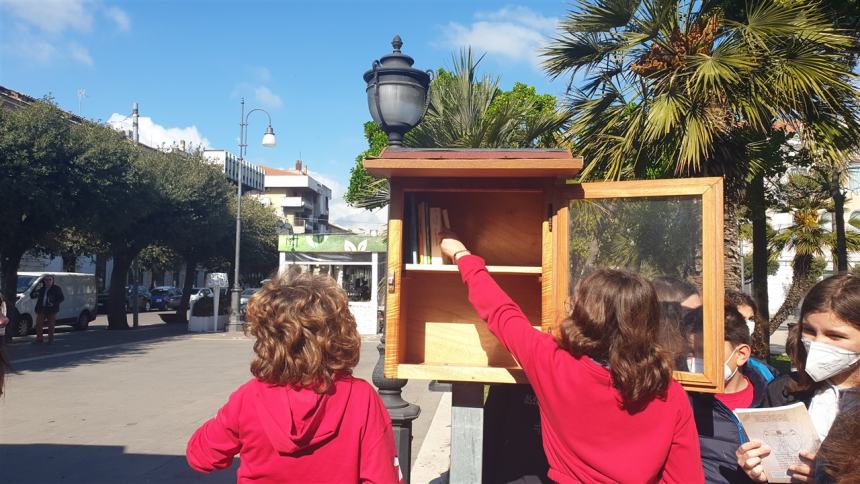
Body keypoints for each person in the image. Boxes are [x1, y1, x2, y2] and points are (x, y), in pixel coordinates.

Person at [440, 232, 704, 483]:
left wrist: (461, 254)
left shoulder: (553, 364)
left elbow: (501, 311)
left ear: (585, 315)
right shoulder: (671, 395)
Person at [186, 272, 402, 483]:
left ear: (268, 337)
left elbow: (201, 457)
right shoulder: (360, 398)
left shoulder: (250, 396)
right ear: (338, 332)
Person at [736, 274, 860, 483]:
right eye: (810, 331)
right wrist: (753, 466)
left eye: (835, 336)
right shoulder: (783, 391)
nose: (818, 344)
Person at [688, 305, 776, 483]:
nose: (693, 360)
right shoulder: (685, 401)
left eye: (705, 352)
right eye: (689, 352)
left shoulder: (775, 398)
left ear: (741, 354)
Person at [30, 275, 64, 344]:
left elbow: (61, 298)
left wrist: (54, 303)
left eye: (49, 280)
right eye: (46, 280)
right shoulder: (42, 289)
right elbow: (34, 296)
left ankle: (50, 339)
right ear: (44, 281)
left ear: (52, 280)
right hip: (42, 308)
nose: (48, 281)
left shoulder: (56, 288)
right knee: (38, 324)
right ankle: (39, 339)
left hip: (51, 309)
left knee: (51, 325)